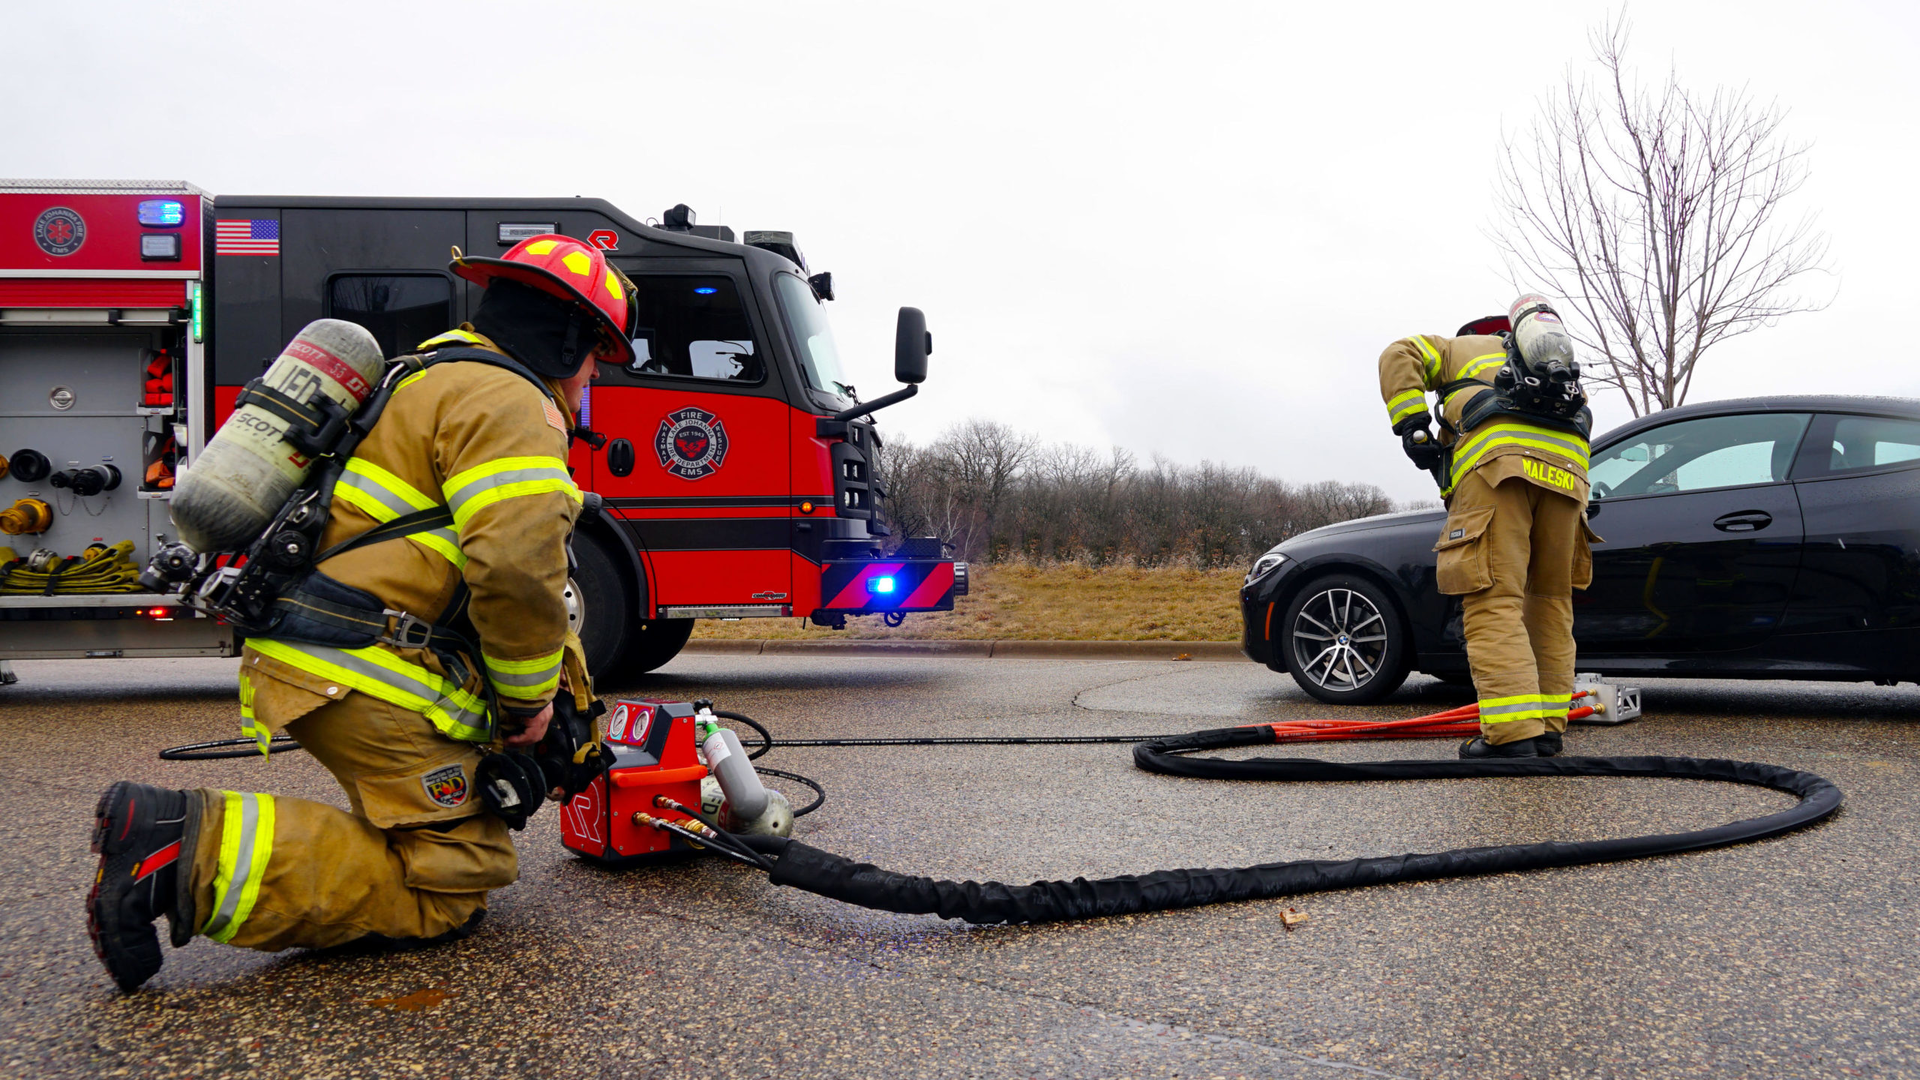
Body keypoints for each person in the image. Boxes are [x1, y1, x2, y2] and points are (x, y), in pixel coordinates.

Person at [87, 234, 636, 992]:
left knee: (442, 827)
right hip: (360, 670)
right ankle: (180, 847)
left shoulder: (420, 377)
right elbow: (515, 569)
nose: (594, 374)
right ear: (569, 338)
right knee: (454, 878)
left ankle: (199, 847)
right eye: (596, 353)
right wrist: (528, 706)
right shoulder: (514, 401)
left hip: (322, 652)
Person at [1378, 297, 1596, 759]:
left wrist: (1412, 424)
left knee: (1495, 600)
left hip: (1497, 466)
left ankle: (1514, 735)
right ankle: (1547, 729)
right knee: (1551, 603)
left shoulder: (1459, 348)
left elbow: (1399, 354)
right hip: (1568, 479)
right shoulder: (1557, 368)